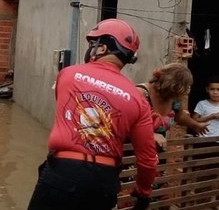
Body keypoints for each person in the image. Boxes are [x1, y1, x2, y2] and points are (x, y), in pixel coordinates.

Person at [27, 19, 157, 210]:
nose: (91, 49)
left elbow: (64, 107)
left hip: (62, 173)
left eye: (92, 45)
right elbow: (147, 159)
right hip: (104, 181)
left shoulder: (68, 74)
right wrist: (143, 193)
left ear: (102, 48)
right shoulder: (138, 100)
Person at [135, 63, 209, 151]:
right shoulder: (140, 94)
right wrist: (151, 135)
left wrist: (196, 125)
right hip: (131, 151)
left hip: (155, 151)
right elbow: (124, 124)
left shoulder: (172, 98)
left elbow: (180, 116)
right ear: (171, 86)